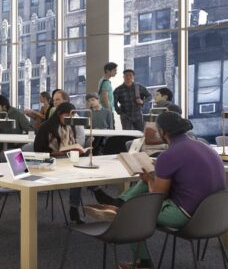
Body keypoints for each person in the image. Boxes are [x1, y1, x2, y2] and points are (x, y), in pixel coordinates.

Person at [90, 112, 225, 269]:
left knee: (132, 215)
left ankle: (143, 263)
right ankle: (119, 204)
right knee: (151, 178)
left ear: (163, 132)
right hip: (217, 215)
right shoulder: (205, 147)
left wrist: (149, 181)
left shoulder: (168, 156)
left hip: (189, 217)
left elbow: (157, 197)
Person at [34, 102, 88, 223]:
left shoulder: (69, 126)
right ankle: (94, 194)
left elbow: (71, 144)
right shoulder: (45, 127)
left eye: (71, 117)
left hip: (65, 160)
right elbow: (38, 150)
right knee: (77, 173)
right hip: (48, 161)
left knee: (79, 172)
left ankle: (75, 207)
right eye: (67, 116)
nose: (70, 119)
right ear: (59, 114)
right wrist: (54, 153)